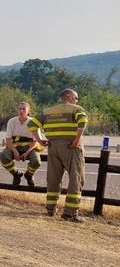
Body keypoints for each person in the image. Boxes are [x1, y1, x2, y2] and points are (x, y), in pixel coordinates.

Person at [29, 89, 88, 222]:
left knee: (53, 178)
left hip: (53, 147)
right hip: (71, 147)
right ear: (68, 96)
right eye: (76, 97)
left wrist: (39, 140)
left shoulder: (48, 111)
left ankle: (51, 209)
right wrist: (77, 140)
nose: (77, 100)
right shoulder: (76, 109)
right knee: (76, 178)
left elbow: (32, 124)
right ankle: (70, 213)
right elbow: (82, 123)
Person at [0, 102, 41, 187]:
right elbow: (8, 140)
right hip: (14, 146)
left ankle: (29, 175)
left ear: (28, 111)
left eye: (24, 109)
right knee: (3, 156)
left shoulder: (33, 122)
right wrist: (15, 152)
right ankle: (16, 174)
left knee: (36, 161)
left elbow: (35, 141)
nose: (21, 111)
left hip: (30, 147)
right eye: (19, 109)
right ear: (17, 110)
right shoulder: (12, 121)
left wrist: (27, 153)